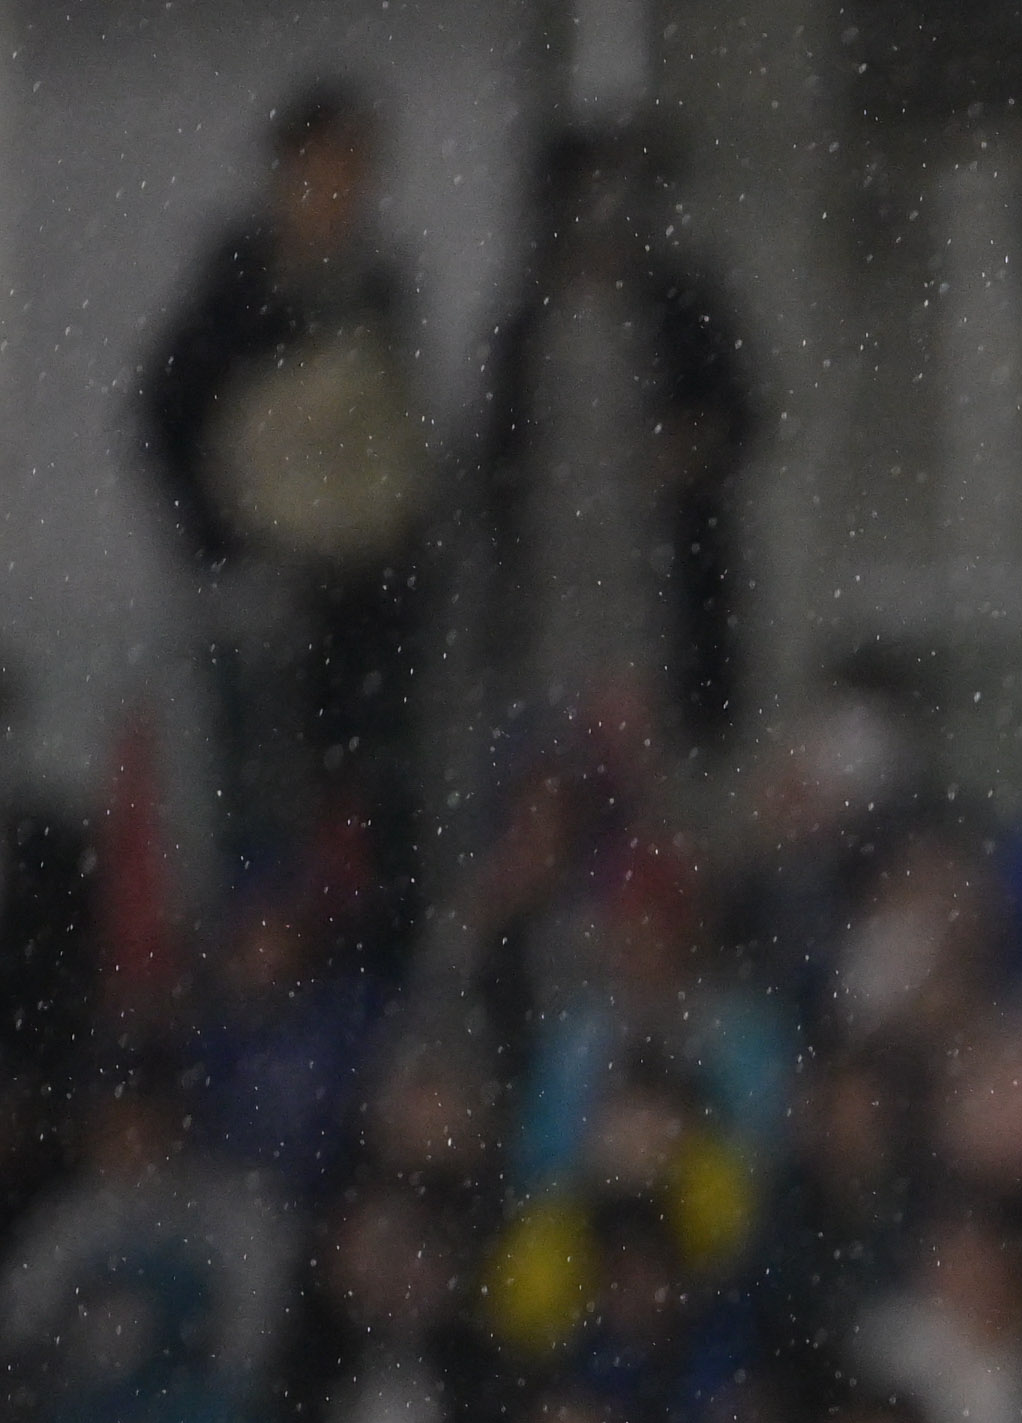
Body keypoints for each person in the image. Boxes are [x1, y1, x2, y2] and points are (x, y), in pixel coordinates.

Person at [134, 80, 441, 919]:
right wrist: (224, 543)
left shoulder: (376, 287)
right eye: (325, 170)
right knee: (260, 804)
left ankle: (354, 950)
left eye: (355, 172)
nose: (340, 192)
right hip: (266, 598)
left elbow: (398, 439)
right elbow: (166, 418)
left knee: (364, 802)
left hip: (365, 597)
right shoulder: (238, 292)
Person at [472, 117, 763, 756]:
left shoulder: (681, 309)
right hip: (554, 595)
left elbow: (740, 419)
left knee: (656, 759)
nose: (602, 222)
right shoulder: (532, 322)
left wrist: (690, 447)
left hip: (661, 589)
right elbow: (496, 464)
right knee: (557, 752)